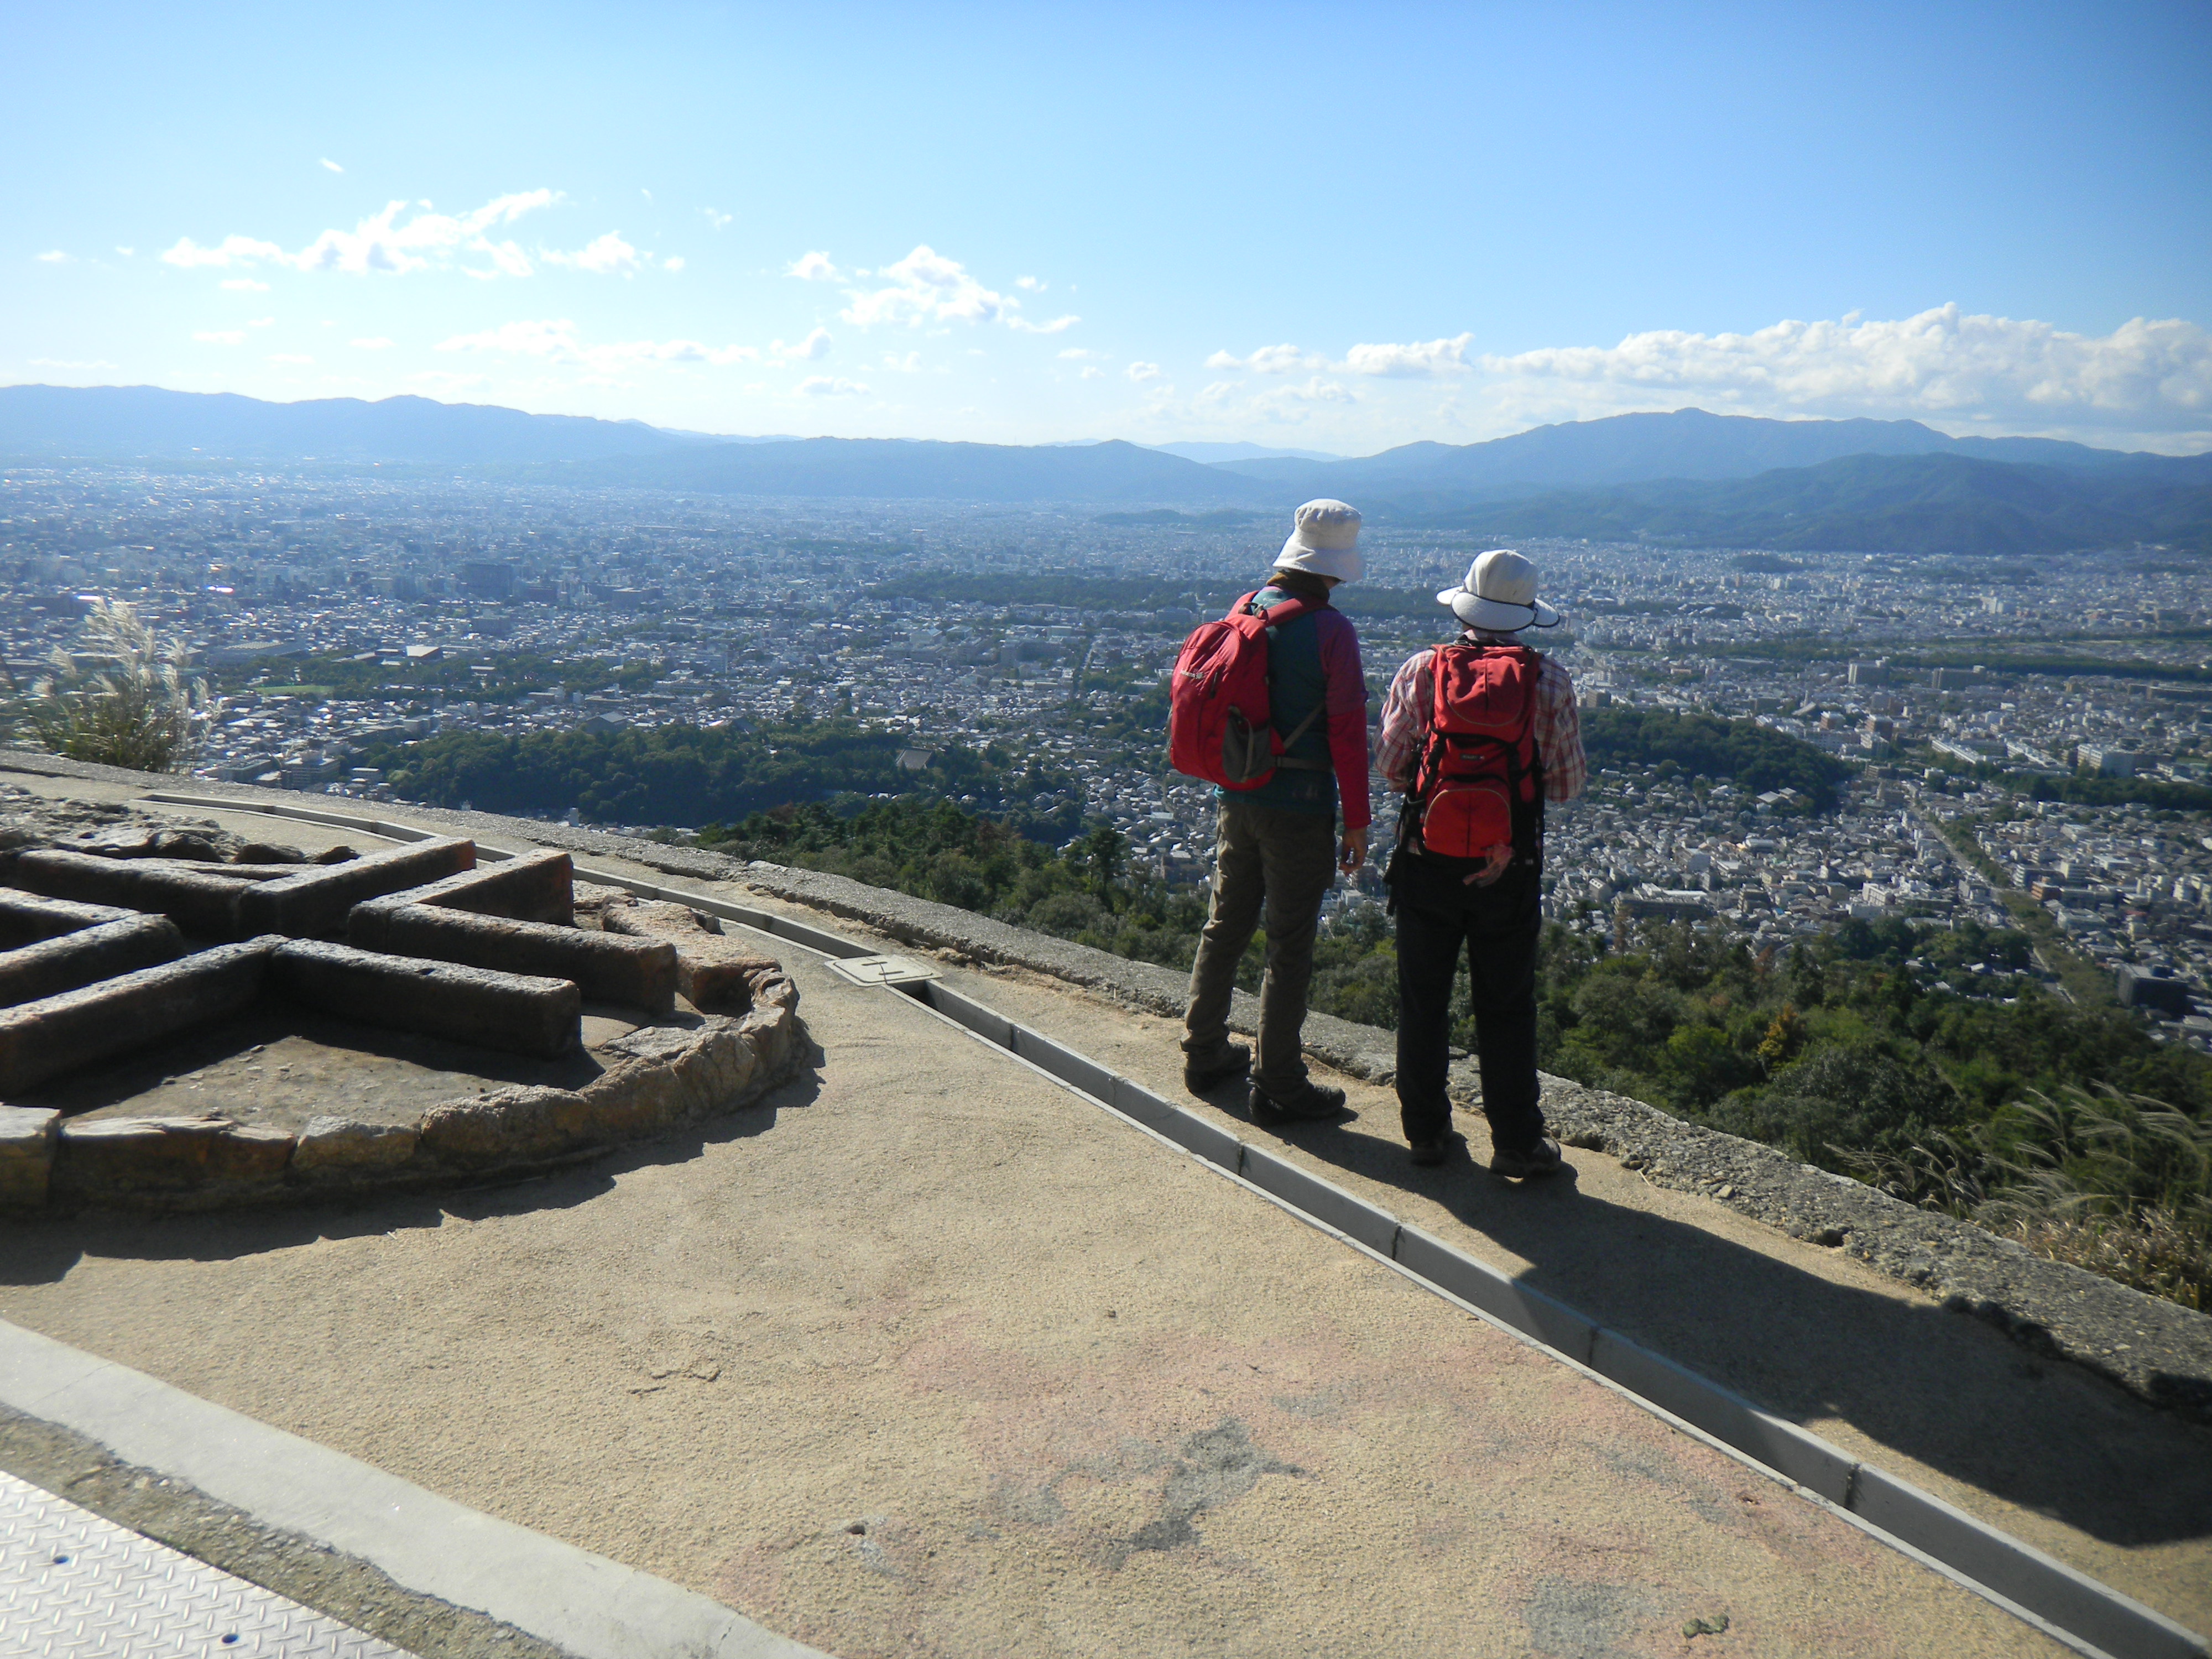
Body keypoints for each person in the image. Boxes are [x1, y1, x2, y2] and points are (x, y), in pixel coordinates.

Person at [1378, 549, 1585, 1173]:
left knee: (1423, 999)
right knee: (1505, 1004)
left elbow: (1389, 771)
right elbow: (1565, 785)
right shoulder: (1548, 680)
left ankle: (1425, 1132)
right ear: (1525, 615)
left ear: (1465, 604)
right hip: (1509, 867)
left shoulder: (1420, 670)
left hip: (1426, 861)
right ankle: (1518, 1142)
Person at [1182, 499, 1372, 1125]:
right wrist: (1357, 820)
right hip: (1299, 805)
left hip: (1235, 795)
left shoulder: (1246, 607)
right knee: (1288, 944)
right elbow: (1345, 732)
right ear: (1337, 566)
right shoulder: (1331, 631)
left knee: (1225, 923)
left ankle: (1204, 1046)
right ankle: (1279, 1080)